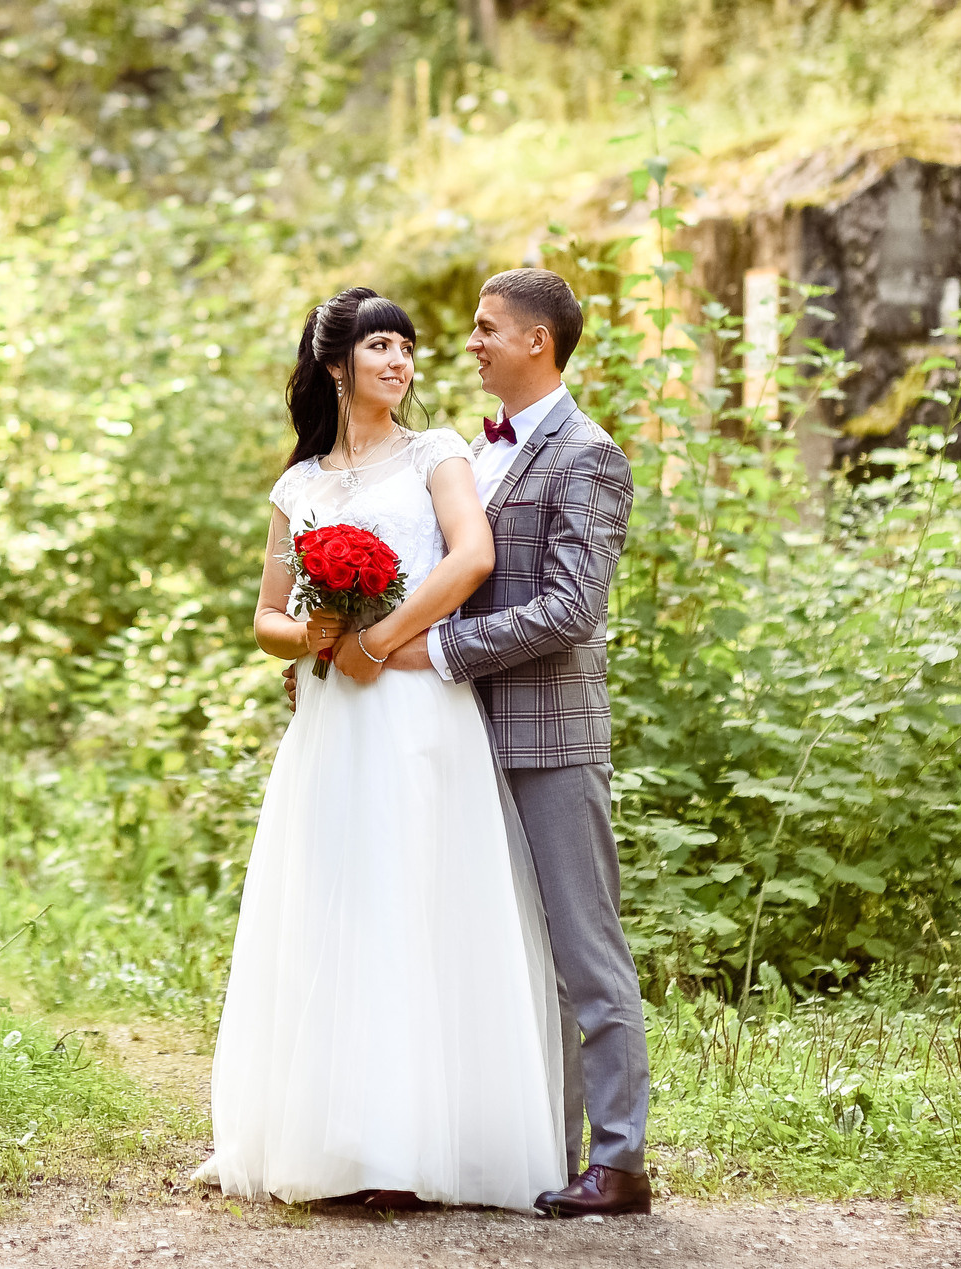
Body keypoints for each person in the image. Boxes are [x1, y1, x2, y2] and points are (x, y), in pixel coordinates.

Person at [195, 287, 569, 1211]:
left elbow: (471, 558)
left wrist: (377, 639)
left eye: (407, 348)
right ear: (337, 365)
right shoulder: (299, 485)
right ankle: (339, 1141)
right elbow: (266, 617)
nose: (400, 363)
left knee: (414, 901)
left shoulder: (439, 453)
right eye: (380, 348)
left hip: (416, 712)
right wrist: (314, 636)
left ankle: (416, 1146)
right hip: (331, 722)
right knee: (337, 907)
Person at [380, 268, 650, 1218]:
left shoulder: (589, 456)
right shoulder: (476, 452)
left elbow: (572, 609)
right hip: (461, 738)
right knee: (497, 953)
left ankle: (619, 1161)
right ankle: (530, 1147)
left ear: (539, 340)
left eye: (488, 328)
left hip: (548, 739)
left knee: (585, 954)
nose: (472, 343)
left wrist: (437, 650)